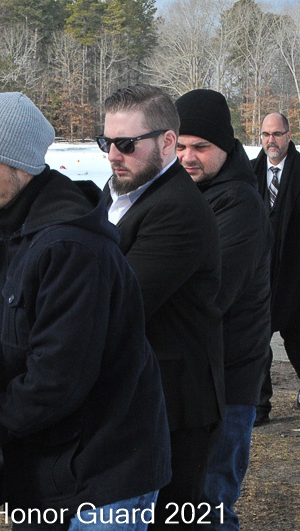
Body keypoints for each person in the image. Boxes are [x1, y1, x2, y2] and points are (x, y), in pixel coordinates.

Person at [0, 92, 171, 530]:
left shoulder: (69, 247)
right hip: (58, 470)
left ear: (21, 164)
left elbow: (57, 379)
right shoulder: (28, 234)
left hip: (100, 480)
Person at [98, 84, 224, 530]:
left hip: (176, 409)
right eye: (106, 142)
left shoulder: (177, 210)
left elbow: (117, 301)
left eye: (127, 144)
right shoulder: (122, 192)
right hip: (143, 399)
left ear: (167, 142)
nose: (113, 155)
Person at [175, 89, 271, 530]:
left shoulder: (239, 203)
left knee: (209, 505)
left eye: (200, 147)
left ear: (227, 146)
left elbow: (211, 295)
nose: (187, 157)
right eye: (179, 146)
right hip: (194, 379)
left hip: (229, 378)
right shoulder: (187, 192)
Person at [251, 112, 300, 422]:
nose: (271, 140)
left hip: (295, 275)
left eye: (277, 134)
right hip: (259, 274)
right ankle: (258, 407)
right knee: (256, 341)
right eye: (266, 134)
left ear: (289, 135)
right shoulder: (248, 173)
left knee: (297, 339)